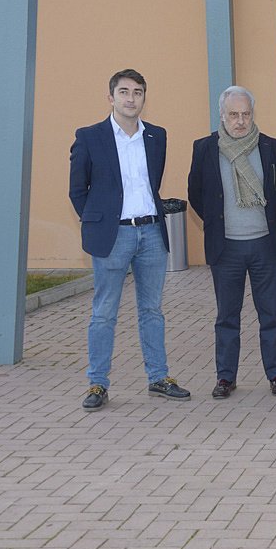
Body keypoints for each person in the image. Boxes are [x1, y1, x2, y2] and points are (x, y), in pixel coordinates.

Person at [68, 68, 191, 411]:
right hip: (114, 235)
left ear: (144, 98)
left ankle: (159, 377)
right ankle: (97, 383)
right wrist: (97, 222)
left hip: (151, 232)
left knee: (152, 310)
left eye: (137, 92)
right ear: (111, 97)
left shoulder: (156, 136)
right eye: (124, 92)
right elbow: (77, 190)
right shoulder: (90, 137)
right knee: (104, 312)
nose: (131, 98)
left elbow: (153, 183)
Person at [188, 86, 276, 399]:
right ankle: (225, 377)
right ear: (222, 115)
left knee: (271, 315)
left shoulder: (272, 147)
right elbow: (196, 194)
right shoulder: (205, 148)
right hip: (226, 248)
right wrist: (218, 224)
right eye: (234, 114)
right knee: (226, 318)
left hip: (265, 246)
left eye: (246, 114)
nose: (241, 121)